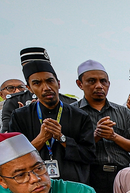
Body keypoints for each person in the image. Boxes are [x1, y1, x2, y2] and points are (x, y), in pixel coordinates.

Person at [9, 56, 96, 185]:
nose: (46, 88)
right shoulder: (20, 116)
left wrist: (62, 138)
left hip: (72, 185)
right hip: (34, 185)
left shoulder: (79, 116)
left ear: (58, 83)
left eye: (50, 81)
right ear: (30, 88)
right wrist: (41, 138)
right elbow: (15, 158)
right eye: (37, 83)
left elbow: (89, 155)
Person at [75, 60, 130, 193]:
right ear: (80, 84)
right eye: (92, 81)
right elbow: (71, 150)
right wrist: (95, 136)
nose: (99, 86)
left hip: (121, 174)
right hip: (89, 175)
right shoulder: (72, 112)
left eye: (103, 81)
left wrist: (113, 136)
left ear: (109, 84)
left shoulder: (124, 112)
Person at [1, 48, 77, 131]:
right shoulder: (14, 101)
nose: (36, 70)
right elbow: (8, 136)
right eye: (29, 67)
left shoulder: (70, 102)